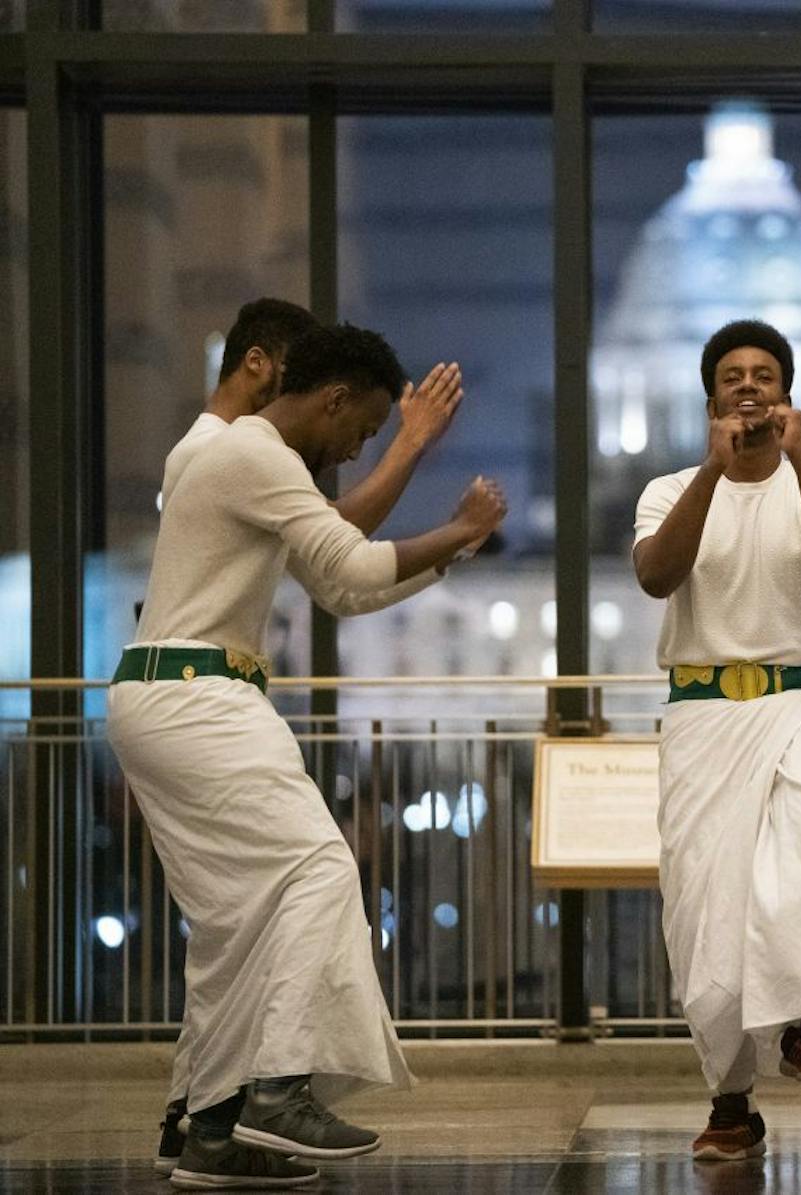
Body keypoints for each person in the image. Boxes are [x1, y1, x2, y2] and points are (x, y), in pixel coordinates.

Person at [109, 322, 507, 1191]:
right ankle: (277, 1090)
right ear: (331, 399)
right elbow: (353, 569)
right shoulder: (254, 454)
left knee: (236, 926)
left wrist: (449, 545)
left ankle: (205, 1127)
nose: (355, 447)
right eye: (360, 430)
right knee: (320, 868)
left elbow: (334, 585)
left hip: (166, 692)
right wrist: (458, 527)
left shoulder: (234, 457)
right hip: (199, 693)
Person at [632, 320, 801, 1162]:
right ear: (710, 398)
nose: (748, 386)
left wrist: (799, 462)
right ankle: (731, 1100)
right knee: (707, 918)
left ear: (787, 393)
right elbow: (658, 574)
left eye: (764, 374)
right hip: (703, 713)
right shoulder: (669, 488)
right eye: (732, 375)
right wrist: (714, 466)